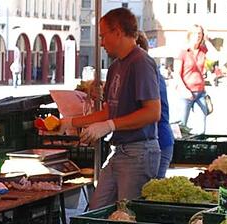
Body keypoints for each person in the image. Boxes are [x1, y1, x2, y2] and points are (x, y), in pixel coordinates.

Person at [59, 7, 161, 210]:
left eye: (103, 35)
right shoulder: (116, 66)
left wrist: (109, 125)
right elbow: (110, 110)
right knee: (96, 210)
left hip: (138, 152)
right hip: (119, 151)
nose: (101, 42)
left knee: (126, 216)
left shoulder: (141, 62)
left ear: (118, 31)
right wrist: (71, 122)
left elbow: (152, 112)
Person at [137, 33, 173, 178]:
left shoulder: (147, 73)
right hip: (160, 140)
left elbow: (151, 113)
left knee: (150, 193)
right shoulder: (150, 71)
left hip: (158, 141)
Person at [173, 24, 209, 134]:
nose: (198, 36)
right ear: (190, 35)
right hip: (186, 92)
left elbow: (219, 55)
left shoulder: (204, 50)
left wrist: (209, 40)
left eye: (200, 33)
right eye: (196, 33)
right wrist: (184, 90)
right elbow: (177, 74)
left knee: (201, 126)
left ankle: (200, 148)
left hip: (200, 92)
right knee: (183, 125)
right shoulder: (183, 52)